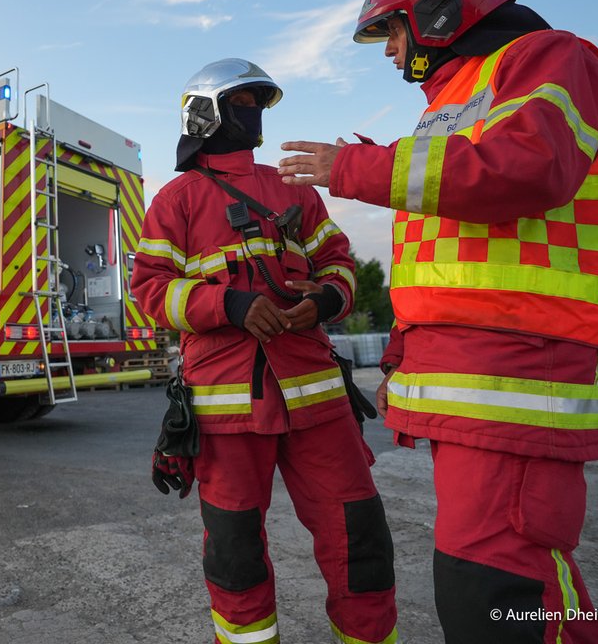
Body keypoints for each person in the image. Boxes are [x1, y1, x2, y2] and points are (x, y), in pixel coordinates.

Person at [276, 0, 598, 644]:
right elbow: (450, 258)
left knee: (495, 591)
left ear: (438, 12)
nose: (388, 52)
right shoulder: (455, 103)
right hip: (476, 376)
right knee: (507, 585)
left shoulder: (553, 59)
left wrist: (355, 168)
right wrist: (405, 359)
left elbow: (529, 167)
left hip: (519, 372)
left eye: (391, 31)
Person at [132, 58, 399, 644]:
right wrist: (227, 305)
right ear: (206, 114)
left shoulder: (293, 191)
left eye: (258, 103)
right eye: (242, 102)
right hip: (226, 410)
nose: (253, 114)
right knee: (235, 555)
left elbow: (338, 263)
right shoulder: (176, 200)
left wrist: (325, 300)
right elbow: (150, 290)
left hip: (319, 402)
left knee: (360, 540)